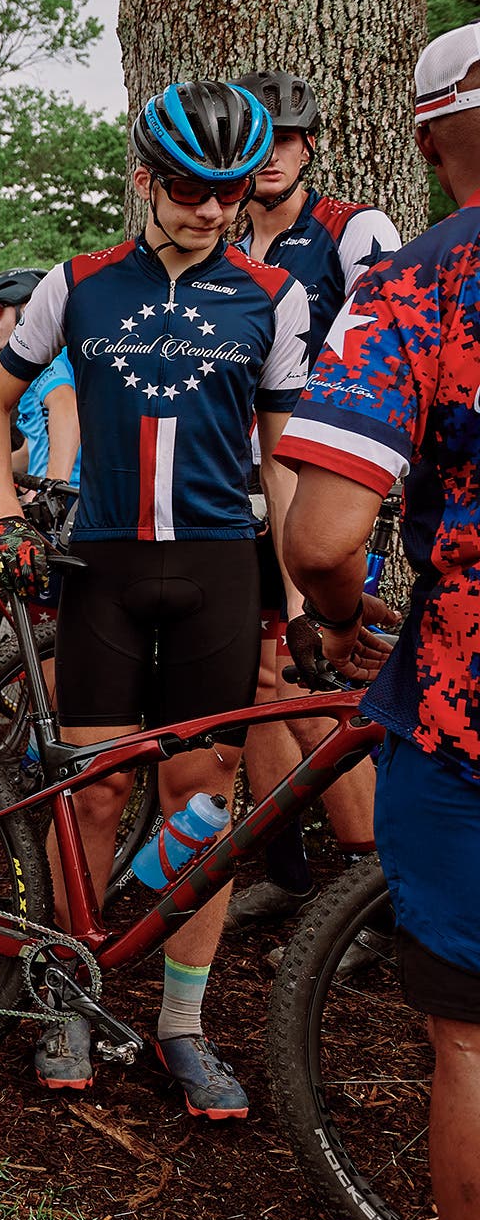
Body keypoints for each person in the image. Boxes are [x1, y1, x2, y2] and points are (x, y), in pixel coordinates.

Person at [0, 80, 309, 1118]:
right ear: (144, 179)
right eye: (188, 189)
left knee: (201, 807)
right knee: (98, 795)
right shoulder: (78, 284)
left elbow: (282, 455)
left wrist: (292, 591)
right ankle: (75, 989)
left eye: (230, 192)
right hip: (104, 567)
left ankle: (182, 1023)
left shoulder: (271, 296)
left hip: (215, 571)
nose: (211, 210)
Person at [272, 20, 480, 1220]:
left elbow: (322, 533)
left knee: (469, 1034)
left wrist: (345, 624)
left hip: (462, 698)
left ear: (427, 135)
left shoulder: (419, 283)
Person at [231, 68, 404, 928]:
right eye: (260, 141)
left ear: (310, 148)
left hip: (322, 483)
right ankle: (289, 871)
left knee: (319, 681)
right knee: (257, 685)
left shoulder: (352, 227)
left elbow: (383, 342)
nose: (273, 157)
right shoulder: (226, 244)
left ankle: (370, 898)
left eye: (289, 140)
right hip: (242, 486)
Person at [0, 269, 77, 484]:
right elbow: (32, 450)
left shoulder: (48, 359)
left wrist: (54, 486)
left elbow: (65, 406)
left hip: (69, 497)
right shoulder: (27, 372)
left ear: (26, 310)